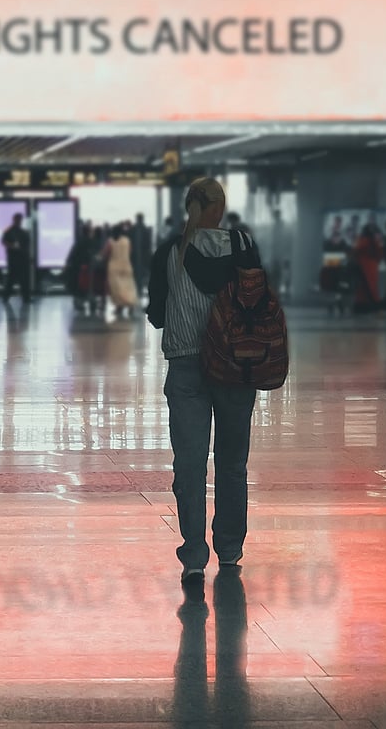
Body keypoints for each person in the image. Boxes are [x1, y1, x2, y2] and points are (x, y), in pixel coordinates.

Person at [145, 177, 258, 585]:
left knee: (190, 465)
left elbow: (157, 314)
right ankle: (229, 548)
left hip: (187, 367)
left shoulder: (169, 252)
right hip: (235, 368)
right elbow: (256, 304)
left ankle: (194, 553)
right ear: (221, 209)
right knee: (232, 463)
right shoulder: (243, 246)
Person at [105, 224, 139, 317]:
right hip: (126, 265)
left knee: (117, 288)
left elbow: (106, 253)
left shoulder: (110, 241)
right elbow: (130, 252)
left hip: (114, 267)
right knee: (128, 287)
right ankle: (130, 305)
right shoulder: (127, 241)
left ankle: (119, 306)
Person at [351, 224, 384, 314]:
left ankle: (362, 305)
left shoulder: (361, 240)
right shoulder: (374, 241)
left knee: (362, 287)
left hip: (362, 266)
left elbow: (355, 251)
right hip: (373, 266)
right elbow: (380, 253)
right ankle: (375, 304)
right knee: (372, 286)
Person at [1, 213, 31, 304]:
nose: (19, 221)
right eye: (18, 219)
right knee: (11, 279)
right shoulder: (9, 231)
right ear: (14, 219)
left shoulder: (23, 231)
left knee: (24, 279)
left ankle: (26, 298)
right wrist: (12, 246)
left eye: (20, 219)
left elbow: (27, 244)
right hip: (14, 258)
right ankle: (6, 297)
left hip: (23, 258)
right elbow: (4, 242)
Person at [131, 213, 153, 299]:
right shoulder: (134, 230)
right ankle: (137, 290)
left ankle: (138, 290)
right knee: (136, 274)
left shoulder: (144, 230)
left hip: (141, 256)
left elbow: (148, 244)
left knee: (140, 274)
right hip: (136, 256)